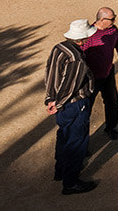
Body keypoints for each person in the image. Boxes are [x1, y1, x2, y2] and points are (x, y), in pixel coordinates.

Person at [45, 19, 99, 196]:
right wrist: (59, 103)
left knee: (63, 136)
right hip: (75, 104)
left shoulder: (58, 48)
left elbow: (50, 74)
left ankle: (59, 171)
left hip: (60, 104)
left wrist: (51, 99)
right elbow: (71, 86)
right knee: (77, 142)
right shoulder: (76, 59)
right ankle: (71, 182)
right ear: (82, 39)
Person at [82, 7, 118, 140]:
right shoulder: (88, 34)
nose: (114, 21)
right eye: (112, 19)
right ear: (102, 19)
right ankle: (82, 139)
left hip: (108, 73)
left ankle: (111, 127)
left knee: (112, 101)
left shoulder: (113, 30)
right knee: (86, 109)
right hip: (91, 78)